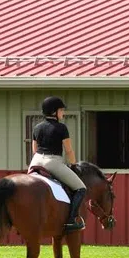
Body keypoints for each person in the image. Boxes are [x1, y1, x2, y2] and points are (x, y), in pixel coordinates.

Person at [29, 96, 87, 233]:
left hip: (35, 161)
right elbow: (69, 150)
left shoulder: (37, 127)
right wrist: (73, 165)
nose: (63, 113)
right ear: (54, 111)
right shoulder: (61, 128)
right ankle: (71, 220)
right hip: (52, 162)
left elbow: (34, 149)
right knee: (81, 188)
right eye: (61, 110)